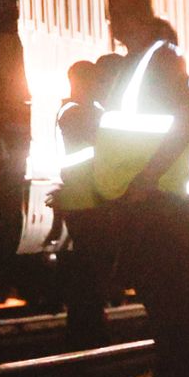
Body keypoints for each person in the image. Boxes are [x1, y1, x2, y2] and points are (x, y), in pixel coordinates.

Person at [96, 0, 189, 377]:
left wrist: (146, 178)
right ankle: (177, 373)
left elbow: (183, 121)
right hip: (149, 194)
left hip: (161, 195)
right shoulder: (142, 62)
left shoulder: (158, 61)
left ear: (132, 16)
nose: (111, 23)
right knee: (161, 289)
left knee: (168, 290)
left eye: (115, 14)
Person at [54, 59, 117, 348]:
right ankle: (86, 329)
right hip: (86, 201)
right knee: (90, 271)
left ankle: (88, 325)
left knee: (93, 269)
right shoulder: (75, 113)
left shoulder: (90, 112)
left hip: (90, 200)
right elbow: (98, 152)